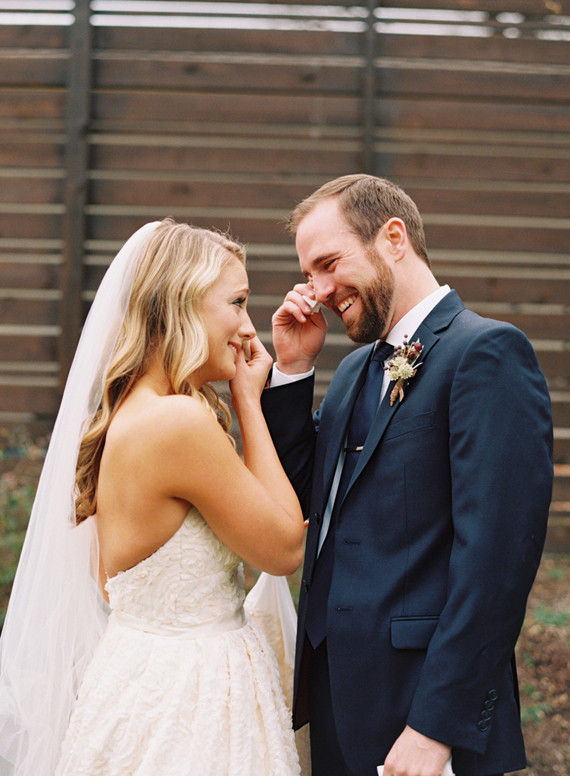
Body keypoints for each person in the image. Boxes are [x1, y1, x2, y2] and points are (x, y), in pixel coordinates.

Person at [260, 175, 553, 776]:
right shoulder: (349, 373)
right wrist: (292, 370)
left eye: (328, 263)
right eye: (308, 273)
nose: (316, 291)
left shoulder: (487, 353)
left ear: (392, 237)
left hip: (421, 712)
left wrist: (435, 727)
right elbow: (306, 498)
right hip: (338, 698)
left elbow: (496, 562)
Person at [0, 219, 306, 776]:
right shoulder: (179, 423)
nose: (246, 327)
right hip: (192, 700)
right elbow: (286, 548)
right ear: (182, 305)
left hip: (135, 681)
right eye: (236, 303)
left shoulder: (129, 414)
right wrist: (248, 402)